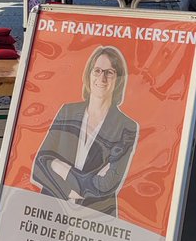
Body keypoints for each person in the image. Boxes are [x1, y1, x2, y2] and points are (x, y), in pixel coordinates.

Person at [32, 46, 139, 215]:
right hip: (52, 209)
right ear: (89, 75)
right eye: (97, 70)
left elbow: (106, 185)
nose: (102, 78)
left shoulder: (127, 126)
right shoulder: (68, 111)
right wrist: (70, 191)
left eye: (109, 72)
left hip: (96, 215)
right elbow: (39, 165)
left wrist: (60, 167)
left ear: (118, 79)